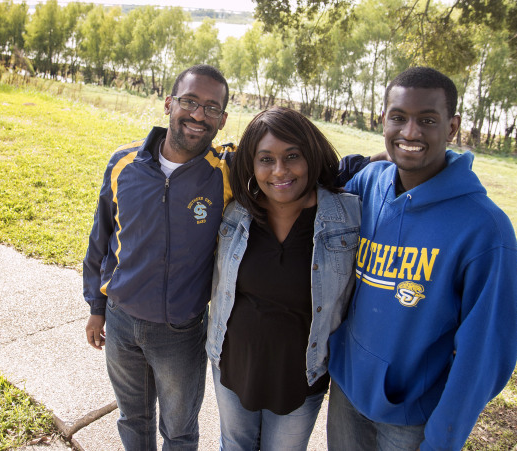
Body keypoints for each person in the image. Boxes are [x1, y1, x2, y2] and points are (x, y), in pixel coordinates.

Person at [327, 66, 517, 450]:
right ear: (382, 119)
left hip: (413, 420)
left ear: (452, 128)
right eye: (398, 118)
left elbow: (485, 354)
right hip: (347, 394)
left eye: (427, 120)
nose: (411, 132)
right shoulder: (368, 183)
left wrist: (443, 438)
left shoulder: (486, 230)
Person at [83, 64, 234, 450]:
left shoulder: (225, 174)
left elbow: (282, 156)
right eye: (189, 101)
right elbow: (101, 239)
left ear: (223, 119)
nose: (199, 115)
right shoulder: (122, 165)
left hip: (180, 333)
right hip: (119, 323)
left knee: (179, 431)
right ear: (169, 103)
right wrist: (96, 306)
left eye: (211, 108)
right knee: (132, 418)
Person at [206, 107, 361, 450]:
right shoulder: (235, 213)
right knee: (234, 445)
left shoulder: (346, 217)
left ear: (311, 155)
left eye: (292, 156)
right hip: (233, 364)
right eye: (266, 159)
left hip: (300, 376)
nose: (279, 171)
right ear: (252, 163)